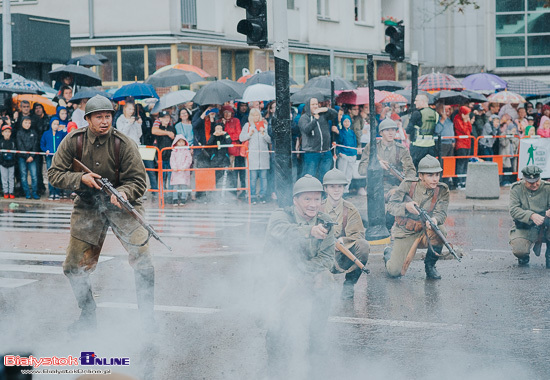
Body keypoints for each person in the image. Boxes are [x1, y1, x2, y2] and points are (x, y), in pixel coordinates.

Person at [48, 95, 156, 332]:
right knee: (73, 266)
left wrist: (124, 192)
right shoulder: (73, 141)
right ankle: (87, 315)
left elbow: (139, 181)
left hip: (122, 206)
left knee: (144, 261)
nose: (105, 121)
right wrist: (80, 178)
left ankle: (148, 320)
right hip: (88, 206)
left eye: (108, 116)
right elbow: (54, 174)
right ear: (88, 119)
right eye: (99, 117)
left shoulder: (124, 143)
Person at [264, 174, 335, 379]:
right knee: (277, 324)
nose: (313, 205)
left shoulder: (326, 221)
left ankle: (316, 336)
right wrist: (309, 231)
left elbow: (327, 258)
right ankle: (275, 359)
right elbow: (280, 232)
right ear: (296, 201)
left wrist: (302, 273)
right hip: (278, 274)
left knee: (327, 279)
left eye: (317, 199)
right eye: (307, 199)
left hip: (305, 273)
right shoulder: (281, 216)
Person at [384, 155, 450, 280]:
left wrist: (435, 219)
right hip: (406, 231)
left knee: (441, 230)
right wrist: (406, 206)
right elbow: (391, 206)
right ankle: (388, 254)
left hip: (425, 230)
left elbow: (441, 212)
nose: (435, 179)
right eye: (430, 175)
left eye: (437, 175)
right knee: (395, 272)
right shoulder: (408, 185)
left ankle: (430, 266)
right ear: (420, 176)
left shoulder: (442, 190)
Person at [359, 118, 416, 229]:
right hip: (375, 185)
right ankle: (377, 226)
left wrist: (402, 187)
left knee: (401, 199)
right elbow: (361, 170)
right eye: (387, 130)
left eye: (393, 130)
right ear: (381, 133)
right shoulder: (372, 147)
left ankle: (387, 227)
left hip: (395, 185)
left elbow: (411, 171)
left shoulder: (401, 149)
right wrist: (376, 165)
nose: (391, 133)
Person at [322, 168, 369, 299]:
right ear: (325, 189)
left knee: (363, 246)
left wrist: (344, 241)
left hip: (341, 256)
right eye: (332, 187)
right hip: (321, 258)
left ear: (344, 188)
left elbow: (358, 235)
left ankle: (349, 285)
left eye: (339, 186)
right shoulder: (318, 208)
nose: (336, 190)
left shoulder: (350, 209)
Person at [509, 165, 550, 268]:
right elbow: (514, 210)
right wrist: (531, 215)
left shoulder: (547, 188)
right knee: (519, 250)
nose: (535, 184)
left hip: (546, 227)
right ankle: (524, 257)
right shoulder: (516, 188)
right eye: (531, 183)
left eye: (537, 181)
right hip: (526, 227)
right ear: (524, 179)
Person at [298, 97, 338, 181]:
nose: (315, 106)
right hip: (312, 153)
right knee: (309, 176)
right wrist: (315, 120)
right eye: (313, 104)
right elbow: (306, 130)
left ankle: (323, 193)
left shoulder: (323, 115)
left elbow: (335, 114)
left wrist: (326, 109)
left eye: (316, 104)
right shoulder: (304, 118)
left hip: (326, 151)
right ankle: (308, 193)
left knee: (325, 176)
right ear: (308, 106)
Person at [240, 108, 271, 204]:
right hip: (252, 156)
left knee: (263, 177)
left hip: (263, 156)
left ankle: (263, 195)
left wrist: (263, 133)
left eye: (257, 115)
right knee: (252, 178)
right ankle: (251, 195)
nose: (256, 117)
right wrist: (249, 134)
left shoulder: (265, 126)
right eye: (254, 115)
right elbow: (241, 138)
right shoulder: (247, 126)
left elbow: (270, 140)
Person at [406, 94, 439, 168]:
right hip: (431, 146)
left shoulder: (417, 113)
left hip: (418, 146)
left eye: (416, 100)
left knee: (416, 168)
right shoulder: (435, 114)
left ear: (423, 101)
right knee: (429, 168)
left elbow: (408, 129)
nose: (415, 102)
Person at [219, 105, 246, 197]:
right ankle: (231, 191)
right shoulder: (220, 122)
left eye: (229, 112)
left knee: (240, 171)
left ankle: (243, 190)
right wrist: (222, 125)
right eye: (225, 112)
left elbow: (238, 134)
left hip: (236, 150)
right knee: (229, 172)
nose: (227, 114)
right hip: (225, 151)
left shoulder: (236, 121)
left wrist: (228, 136)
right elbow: (219, 135)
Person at [152, 110, 177, 202]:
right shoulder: (159, 128)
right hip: (161, 156)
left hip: (171, 156)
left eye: (168, 117)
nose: (166, 119)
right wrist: (167, 133)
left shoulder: (172, 128)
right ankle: (162, 195)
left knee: (171, 176)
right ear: (160, 119)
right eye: (164, 118)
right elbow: (154, 131)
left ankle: (170, 195)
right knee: (162, 177)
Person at [40, 117, 67, 200]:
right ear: (51, 124)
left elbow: (64, 144)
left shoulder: (61, 134)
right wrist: (46, 150)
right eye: (54, 124)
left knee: (58, 174)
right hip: (49, 157)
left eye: (57, 124)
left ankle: (58, 192)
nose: (56, 126)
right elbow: (42, 145)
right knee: (50, 174)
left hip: (58, 158)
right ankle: (51, 192)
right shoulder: (46, 134)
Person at [16, 116, 40, 199]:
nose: (27, 124)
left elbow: (35, 145)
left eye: (29, 123)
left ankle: (35, 192)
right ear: (22, 123)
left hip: (32, 157)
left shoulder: (34, 132)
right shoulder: (19, 133)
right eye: (25, 122)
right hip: (22, 157)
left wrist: (32, 156)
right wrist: (26, 156)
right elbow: (20, 145)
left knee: (34, 176)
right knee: (23, 176)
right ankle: (27, 193)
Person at [333, 115, 357, 194]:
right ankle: (340, 191)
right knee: (342, 173)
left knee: (349, 174)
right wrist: (340, 153)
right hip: (343, 154)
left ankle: (346, 190)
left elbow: (354, 143)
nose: (346, 123)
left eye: (348, 121)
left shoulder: (352, 132)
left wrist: (355, 153)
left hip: (351, 154)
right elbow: (339, 141)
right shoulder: (340, 132)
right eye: (345, 121)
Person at [169, 135, 192, 206]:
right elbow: (172, 160)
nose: (181, 144)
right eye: (179, 142)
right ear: (176, 143)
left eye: (183, 142)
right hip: (176, 171)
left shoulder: (186, 151)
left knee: (184, 185)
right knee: (175, 185)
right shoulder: (174, 152)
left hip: (184, 171)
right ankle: (175, 199)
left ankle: (183, 198)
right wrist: (174, 167)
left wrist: (184, 167)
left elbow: (188, 160)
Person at [453, 106, 473, 189]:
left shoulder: (465, 120)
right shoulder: (457, 120)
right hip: (461, 144)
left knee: (465, 163)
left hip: (467, 144)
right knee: (460, 164)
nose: (468, 116)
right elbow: (464, 130)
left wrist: (467, 122)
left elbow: (470, 129)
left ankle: (464, 180)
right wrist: (465, 121)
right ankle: (458, 181)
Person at [0, 125, 16, 198]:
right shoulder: (1, 142)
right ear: (2, 133)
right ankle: (5, 192)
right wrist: (2, 162)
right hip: (3, 163)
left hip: (11, 163)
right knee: (4, 178)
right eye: (5, 132)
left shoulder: (13, 142)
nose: (7, 133)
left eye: (8, 132)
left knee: (11, 178)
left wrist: (13, 161)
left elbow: (15, 153)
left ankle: (11, 192)